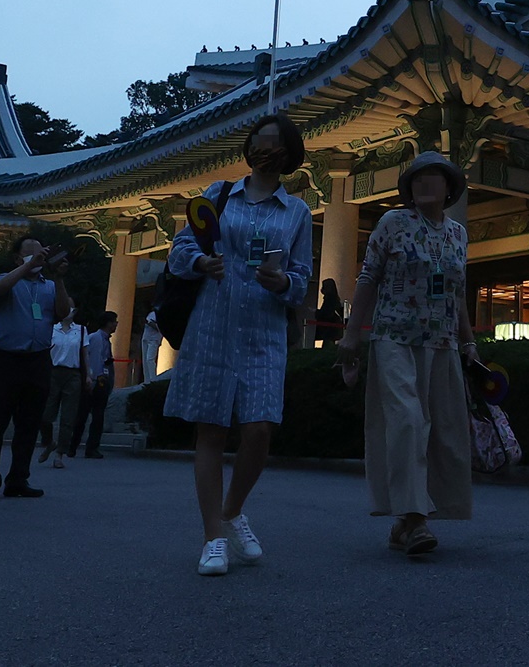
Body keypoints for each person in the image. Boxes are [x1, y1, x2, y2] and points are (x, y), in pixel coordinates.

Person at [164, 115, 313, 577]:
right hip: (213, 325)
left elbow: (303, 281)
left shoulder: (297, 212)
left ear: (289, 154)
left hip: (264, 331)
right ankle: (212, 537)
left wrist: (282, 280)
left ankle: (232, 511)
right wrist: (201, 261)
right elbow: (179, 249)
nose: (264, 149)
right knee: (210, 430)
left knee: (260, 430)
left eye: (274, 143)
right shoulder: (217, 195)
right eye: (258, 141)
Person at [337, 150, 475, 558]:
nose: (424, 184)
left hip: (443, 341)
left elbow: (458, 292)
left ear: (449, 188)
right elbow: (368, 278)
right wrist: (351, 336)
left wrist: (469, 341)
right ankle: (415, 519)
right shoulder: (392, 223)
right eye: (417, 179)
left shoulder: (458, 234)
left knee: (444, 430)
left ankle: (407, 521)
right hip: (394, 336)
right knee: (407, 420)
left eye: (433, 177)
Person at [0, 236, 71, 501]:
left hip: (38, 360)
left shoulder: (50, 286)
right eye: (31, 255)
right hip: (6, 359)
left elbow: (63, 312)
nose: (38, 258)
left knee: (29, 424)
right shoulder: (8, 279)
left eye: (42, 253)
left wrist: (60, 277)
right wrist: (25, 269)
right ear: (18, 259)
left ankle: (18, 479)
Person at [38, 307, 86, 470]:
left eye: (72, 308)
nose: (69, 310)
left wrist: (89, 374)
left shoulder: (81, 330)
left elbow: (85, 354)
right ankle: (49, 442)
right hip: (53, 372)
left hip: (73, 374)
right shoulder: (52, 329)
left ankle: (60, 454)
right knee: (45, 414)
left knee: (68, 416)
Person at [73, 312, 117, 459]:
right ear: (108, 323)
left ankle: (85, 447)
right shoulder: (96, 338)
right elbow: (94, 360)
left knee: (95, 416)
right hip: (95, 381)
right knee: (85, 415)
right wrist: (93, 378)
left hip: (99, 381)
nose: (116, 324)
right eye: (114, 321)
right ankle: (75, 445)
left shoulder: (104, 340)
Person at [314, 279, 344, 349]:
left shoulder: (329, 299)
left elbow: (327, 313)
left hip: (329, 328)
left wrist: (317, 312)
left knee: (328, 346)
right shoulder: (334, 298)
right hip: (331, 328)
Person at [141, 310, 163, 382]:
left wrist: (150, 323)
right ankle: (147, 380)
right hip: (146, 337)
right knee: (145, 360)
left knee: (150, 359)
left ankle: (152, 379)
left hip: (154, 339)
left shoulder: (161, 315)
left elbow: (159, 327)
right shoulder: (152, 313)